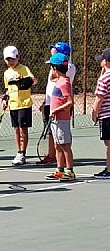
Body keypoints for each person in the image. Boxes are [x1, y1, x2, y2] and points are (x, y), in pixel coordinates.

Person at [38, 41, 76, 165]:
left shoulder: (67, 66)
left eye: (54, 49)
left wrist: (55, 60)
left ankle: (66, 165)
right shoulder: (55, 64)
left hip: (60, 107)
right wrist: (45, 101)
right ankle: (53, 157)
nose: (52, 50)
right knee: (52, 133)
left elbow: (54, 79)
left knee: (63, 139)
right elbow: (51, 83)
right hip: (51, 102)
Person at [2, 45, 37, 166]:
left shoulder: (24, 69)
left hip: (24, 104)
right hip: (13, 106)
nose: (10, 62)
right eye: (7, 59)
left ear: (17, 57)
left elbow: (34, 80)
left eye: (12, 59)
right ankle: (19, 151)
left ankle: (22, 153)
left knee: (23, 129)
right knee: (16, 130)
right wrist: (5, 99)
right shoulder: (6, 73)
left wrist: (25, 82)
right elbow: (7, 89)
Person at [45, 53, 75, 181]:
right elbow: (52, 77)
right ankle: (59, 170)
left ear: (55, 68)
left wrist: (56, 110)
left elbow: (70, 101)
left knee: (65, 145)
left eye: (51, 67)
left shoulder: (64, 82)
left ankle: (70, 172)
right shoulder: (58, 80)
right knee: (57, 145)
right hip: (56, 119)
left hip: (62, 119)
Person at [91, 48, 110, 179]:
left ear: (106, 62)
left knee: (109, 144)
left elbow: (99, 98)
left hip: (107, 116)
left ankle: (109, 169)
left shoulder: (104, 79)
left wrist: (94, 113)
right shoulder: (105, 77)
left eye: (102, 59)